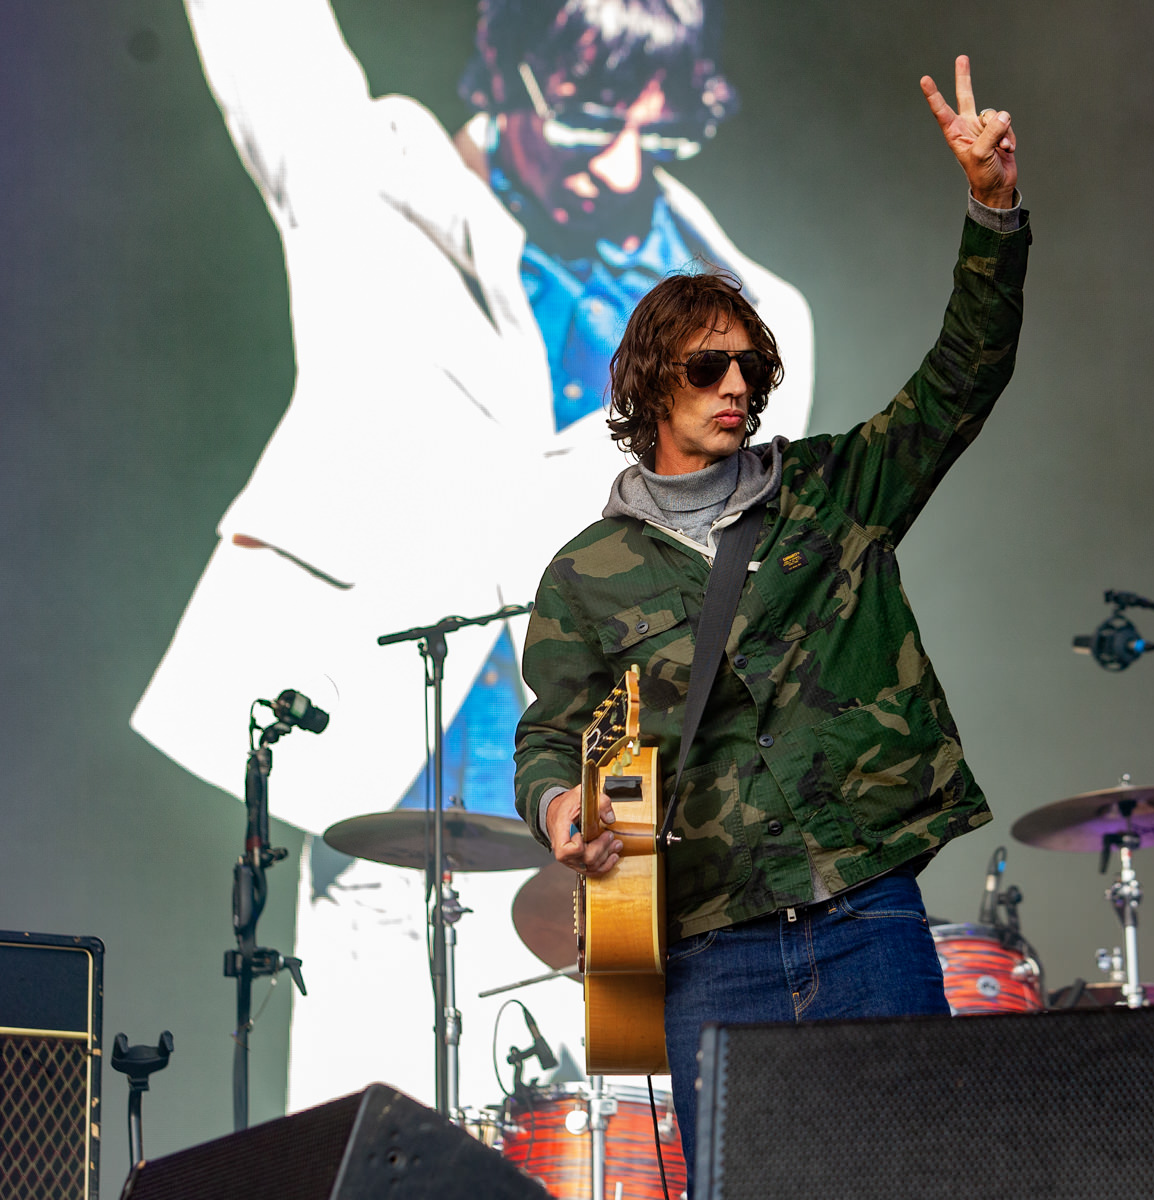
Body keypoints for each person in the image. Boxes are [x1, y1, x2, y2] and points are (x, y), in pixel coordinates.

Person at [132, 0, 813, 1110]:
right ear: (511, 69)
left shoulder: (747, 312)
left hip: (617, 835)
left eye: (664, 131)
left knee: (620, 1154)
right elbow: (267, 39)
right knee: (375, 1153)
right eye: (594, 120)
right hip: (400, 799)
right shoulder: (373, 189)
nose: (625, 165)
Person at [514, 55, 1027, 1169]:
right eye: (710, 365)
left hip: (866, 918)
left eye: (752, 364)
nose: (738, 383)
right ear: (651, 384)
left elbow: (960, 382)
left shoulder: (835, 490)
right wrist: (562, 814)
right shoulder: (587, 573)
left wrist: (992, 211)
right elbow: (549, 735)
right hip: (710, 946)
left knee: (919, 1185)